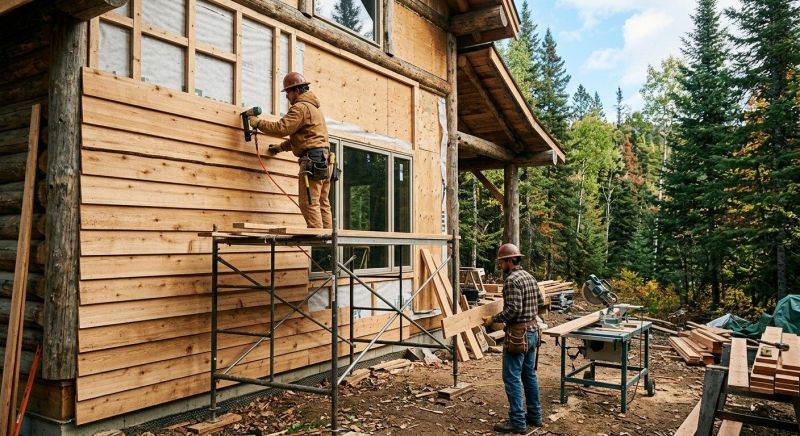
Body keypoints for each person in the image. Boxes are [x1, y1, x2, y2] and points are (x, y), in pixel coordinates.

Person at [248, 72, 332, 229]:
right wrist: (280, 148)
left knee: (308, 202)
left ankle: (318, 238)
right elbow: (304, 137)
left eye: (287, 92)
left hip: (313, 160)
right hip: (325, 160)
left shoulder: (300, 108)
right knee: (322, 202)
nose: (287, 96)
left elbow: (281, 128)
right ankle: (328, 239)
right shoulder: (314, 109)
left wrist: (258, 123)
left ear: (296, 91)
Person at [483, 243, 544, 433]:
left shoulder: (511, 280)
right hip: (533, 330)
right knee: (529, 375)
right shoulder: (529, 277)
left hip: (518, 334)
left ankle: (518, 422)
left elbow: (513, 310)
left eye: (502, 262)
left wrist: (494, 318)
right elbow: (541, 302)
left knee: (512, 378)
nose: (500, 266)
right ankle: (535, 416)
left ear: (510, 260)